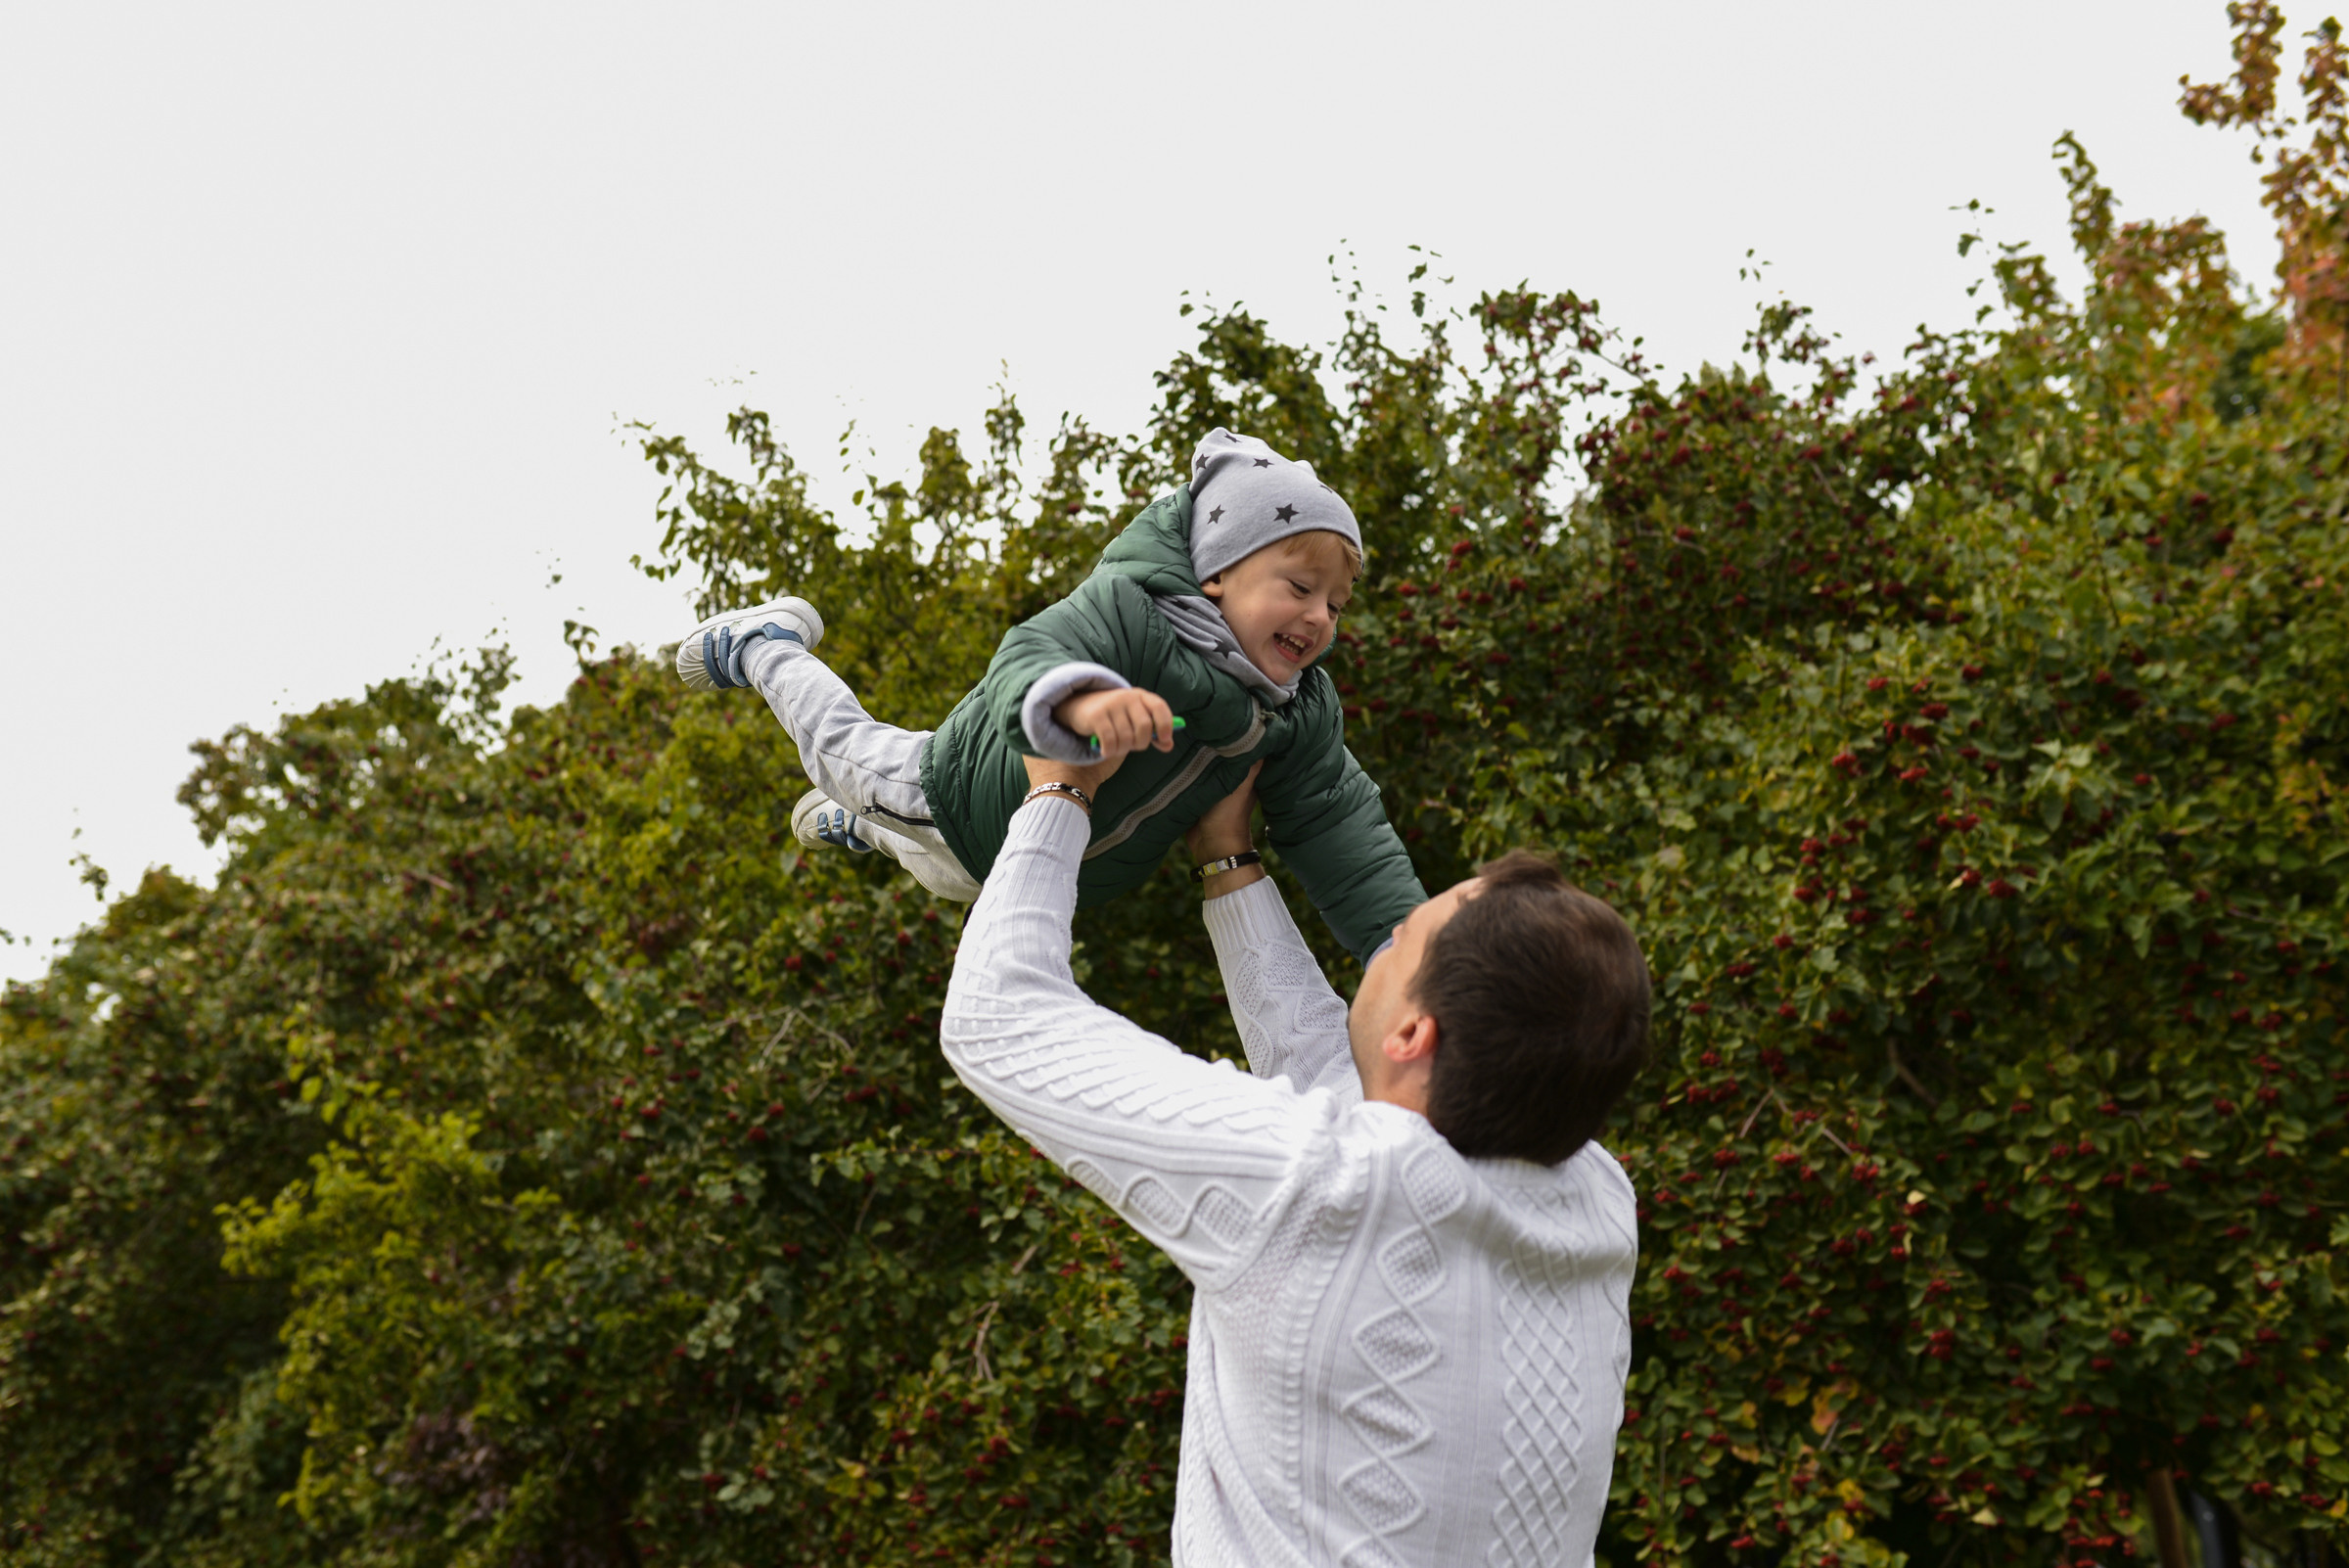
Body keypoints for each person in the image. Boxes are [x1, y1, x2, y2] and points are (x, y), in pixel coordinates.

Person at [938, 751, 1650, 1566]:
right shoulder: (1596, 1198)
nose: (1383, 945)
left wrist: (1061, 787)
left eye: (1401, 942)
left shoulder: (1321, 1182)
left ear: (1417, 1034)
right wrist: (1227, 860)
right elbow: (1364, 1101)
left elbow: (998, 1015)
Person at [669, 428, 1423, 963]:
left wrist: (1407, 943)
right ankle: (766, 645)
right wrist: (1078, 705)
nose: (1320, 617)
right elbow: (1031, 653)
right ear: (1219, 571)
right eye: (1299, 588)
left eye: (1336, 603)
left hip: (1040, 870)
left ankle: (861, 828)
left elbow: (1338, 825)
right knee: (839, 754)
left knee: (939, 877)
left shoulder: (1294, 714)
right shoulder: (1134, 610)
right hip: (959, 794)